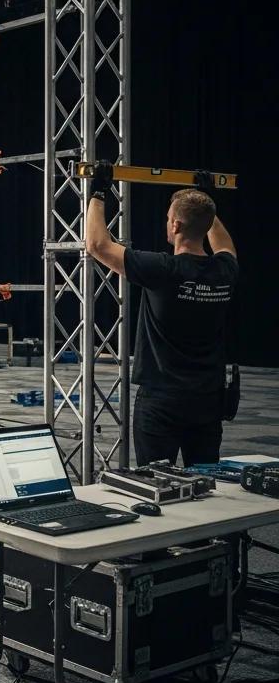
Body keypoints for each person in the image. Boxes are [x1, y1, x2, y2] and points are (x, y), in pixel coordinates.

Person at [84, 163, 238, 466]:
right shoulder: (225, 271)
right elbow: (224, 244)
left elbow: (97, 245)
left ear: (176, 226)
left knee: (156, 485)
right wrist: (208, 206)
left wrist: (98, 193)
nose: (166, 222)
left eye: (169, 218)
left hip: (162, 401)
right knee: (205, 481)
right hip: (207, 401)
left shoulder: (163, 270)